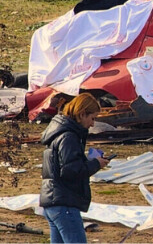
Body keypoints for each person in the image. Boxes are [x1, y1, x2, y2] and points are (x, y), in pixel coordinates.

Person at [40, 93, 110, 243]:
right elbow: (70, 171)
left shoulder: (58, 133)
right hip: (64, 203)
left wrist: (87, 161)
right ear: (82, 114)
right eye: (92, 118)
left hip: (53, 202)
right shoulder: (69, 137)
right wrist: (96, 164)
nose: (92, 124)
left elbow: (65, 165)